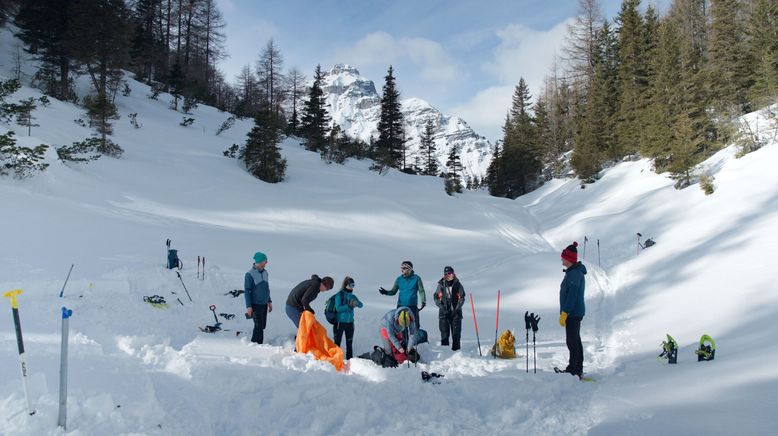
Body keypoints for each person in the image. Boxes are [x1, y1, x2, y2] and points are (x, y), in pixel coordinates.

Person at [558, 242, 587, 378]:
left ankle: (574, 370)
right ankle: (577, 368)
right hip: (573, 312)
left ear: (569, 259)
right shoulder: (572, 272)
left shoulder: (574, 274)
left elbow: (572, 295)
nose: (561, 259)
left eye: (563, 257)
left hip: (573, 313)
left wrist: (565, 312)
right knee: (575, 340)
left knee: (572, 341)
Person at [379, 260, 426, 329]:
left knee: (415, 326)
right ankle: (402, 339)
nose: (402, 270)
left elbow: (421, 291)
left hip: (412, 306)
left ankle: (415, 339)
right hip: (400, 306)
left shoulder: (416, 278)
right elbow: (393, 291)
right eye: (401, 268)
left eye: (404, 268)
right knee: (400, 327)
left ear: (410, 269)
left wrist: (423, 301)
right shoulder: (399, 279)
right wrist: (386, 292)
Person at [434, 266, 465, 351]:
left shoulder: (458, 284)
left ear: (453, 274)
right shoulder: (441, 285)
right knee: (444, 334)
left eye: (450, 274)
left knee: (456, 334)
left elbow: (462, 298)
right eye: (446, 274)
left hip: (456, 313)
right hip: (444, 313)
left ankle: (457, 352)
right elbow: (436, 297)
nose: (448, 276)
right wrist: (442, 307)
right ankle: (445, 353)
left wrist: (457, 309)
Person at [245, 252, 272, 344]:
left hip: (264, 304)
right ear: (260, 262)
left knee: (262, 326)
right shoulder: (250, 274)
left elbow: (267, 288)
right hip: (255, 304)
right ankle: (254, 344)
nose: (266, 263)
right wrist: (249, 306)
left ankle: (259, 345)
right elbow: (247, 291)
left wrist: (269, 301)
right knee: (258, 325)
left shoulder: (265, 272)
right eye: (265, 261)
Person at [333, 276, 363, 359]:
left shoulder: (353, 296)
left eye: (353, 285)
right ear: (346, 285)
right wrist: (348, 305)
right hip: (340, 323)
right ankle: (336, 359)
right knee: (337, 343)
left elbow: (361, 305)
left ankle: (350, 361)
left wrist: (356, 302)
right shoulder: (339, 295)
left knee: (349, 343)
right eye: (350, 285)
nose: (352, 287)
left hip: (350, 323)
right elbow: (338, 308)